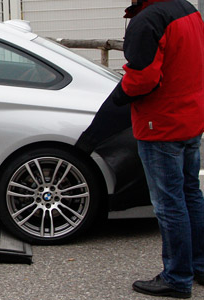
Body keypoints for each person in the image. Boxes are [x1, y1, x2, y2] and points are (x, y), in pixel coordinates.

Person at [107, 0, 204, 298]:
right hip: (190, 117)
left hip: (160, 124)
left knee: (169, 203)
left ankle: (176, 278)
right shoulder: (187, 10)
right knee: (191, 195)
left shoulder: (148, 20)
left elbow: (143, 79)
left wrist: (118, 97)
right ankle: (198, 266)